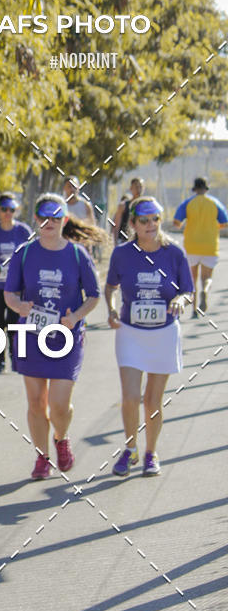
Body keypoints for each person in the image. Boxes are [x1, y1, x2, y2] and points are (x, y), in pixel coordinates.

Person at [4, 194, 104, 479]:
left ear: (65, 220)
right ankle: (42, 457)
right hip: (32, 336)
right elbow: (9, 293)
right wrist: (18, 305)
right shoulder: (24, 253)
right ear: (36, 219)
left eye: (56, 217)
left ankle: (61, 437)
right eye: (44, 217)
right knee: (36, 403)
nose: (50, 223)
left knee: (59, 405)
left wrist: (75, 317)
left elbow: (94, 296)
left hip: (65, 338)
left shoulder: (76, 254)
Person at [106, 196, 193, 477]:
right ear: (132, 224)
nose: (151, 225)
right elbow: (110, 287)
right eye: (144, 220)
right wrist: (110, 309)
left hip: (164, 332)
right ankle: (130, 449)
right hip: (130, 332)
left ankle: (150, 453)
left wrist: (181, 300)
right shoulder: (122, 253)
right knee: (130, 397)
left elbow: (188, 291)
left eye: (155, 218)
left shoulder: (174, 253)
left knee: (152, 401)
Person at [0, 193, 32, 374]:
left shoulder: (24, 231)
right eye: (4, 209)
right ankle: (0, 361)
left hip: (16, 287)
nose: (8, 213)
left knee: (13, 322)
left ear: (16, 210)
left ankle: (14, 357)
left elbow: (30, 255)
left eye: (11, 209)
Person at [173, 176, 228, 316]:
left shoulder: (188, 203)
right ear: (206, 188)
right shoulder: (215, 203)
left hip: (192, 245)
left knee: (192, 279)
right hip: (210, 245)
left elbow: (176, 222)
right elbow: (225, 222)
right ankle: (206, 290)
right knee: (207, 277)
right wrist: (215, 226)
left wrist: (186, 224)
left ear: (195, 188)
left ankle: (194, 310)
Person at [111, 177, 144, 245]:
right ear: (131, 188)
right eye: (136, 187)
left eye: (141, 187)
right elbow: (116, 226)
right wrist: (116, 243)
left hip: (140, 242)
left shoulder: (146, 206)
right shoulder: (123, 206)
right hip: (124, 241)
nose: (139, 189)